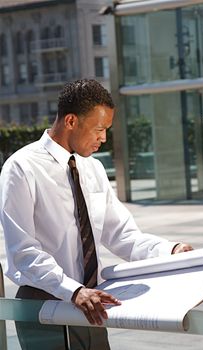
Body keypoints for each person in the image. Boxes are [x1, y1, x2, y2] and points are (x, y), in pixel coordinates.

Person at [0, 79, 192, 350]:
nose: (103, 138)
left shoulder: (93, 169)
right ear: (70, 121)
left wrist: (172, 251)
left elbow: (122, 235)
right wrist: (73, 291)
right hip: (43, 305)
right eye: (99, 129)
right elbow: (23, 252)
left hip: (91, 304)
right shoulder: (21, 168)